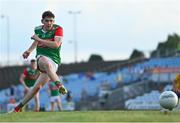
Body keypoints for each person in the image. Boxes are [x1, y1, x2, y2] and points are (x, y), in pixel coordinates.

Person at [13, 10, 68, 112]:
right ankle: (59, 85)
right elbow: (36, 42)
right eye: (47, 21)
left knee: (37, 88)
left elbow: (56, 45)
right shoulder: (38, 29)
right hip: (41, 57)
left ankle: (17, 109)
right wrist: (29, 51)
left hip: (54, 61)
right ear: (42, 21)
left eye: (51, 21)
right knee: (45, 61)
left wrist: (39, 39)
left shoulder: (58, 29)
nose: (49, 23)